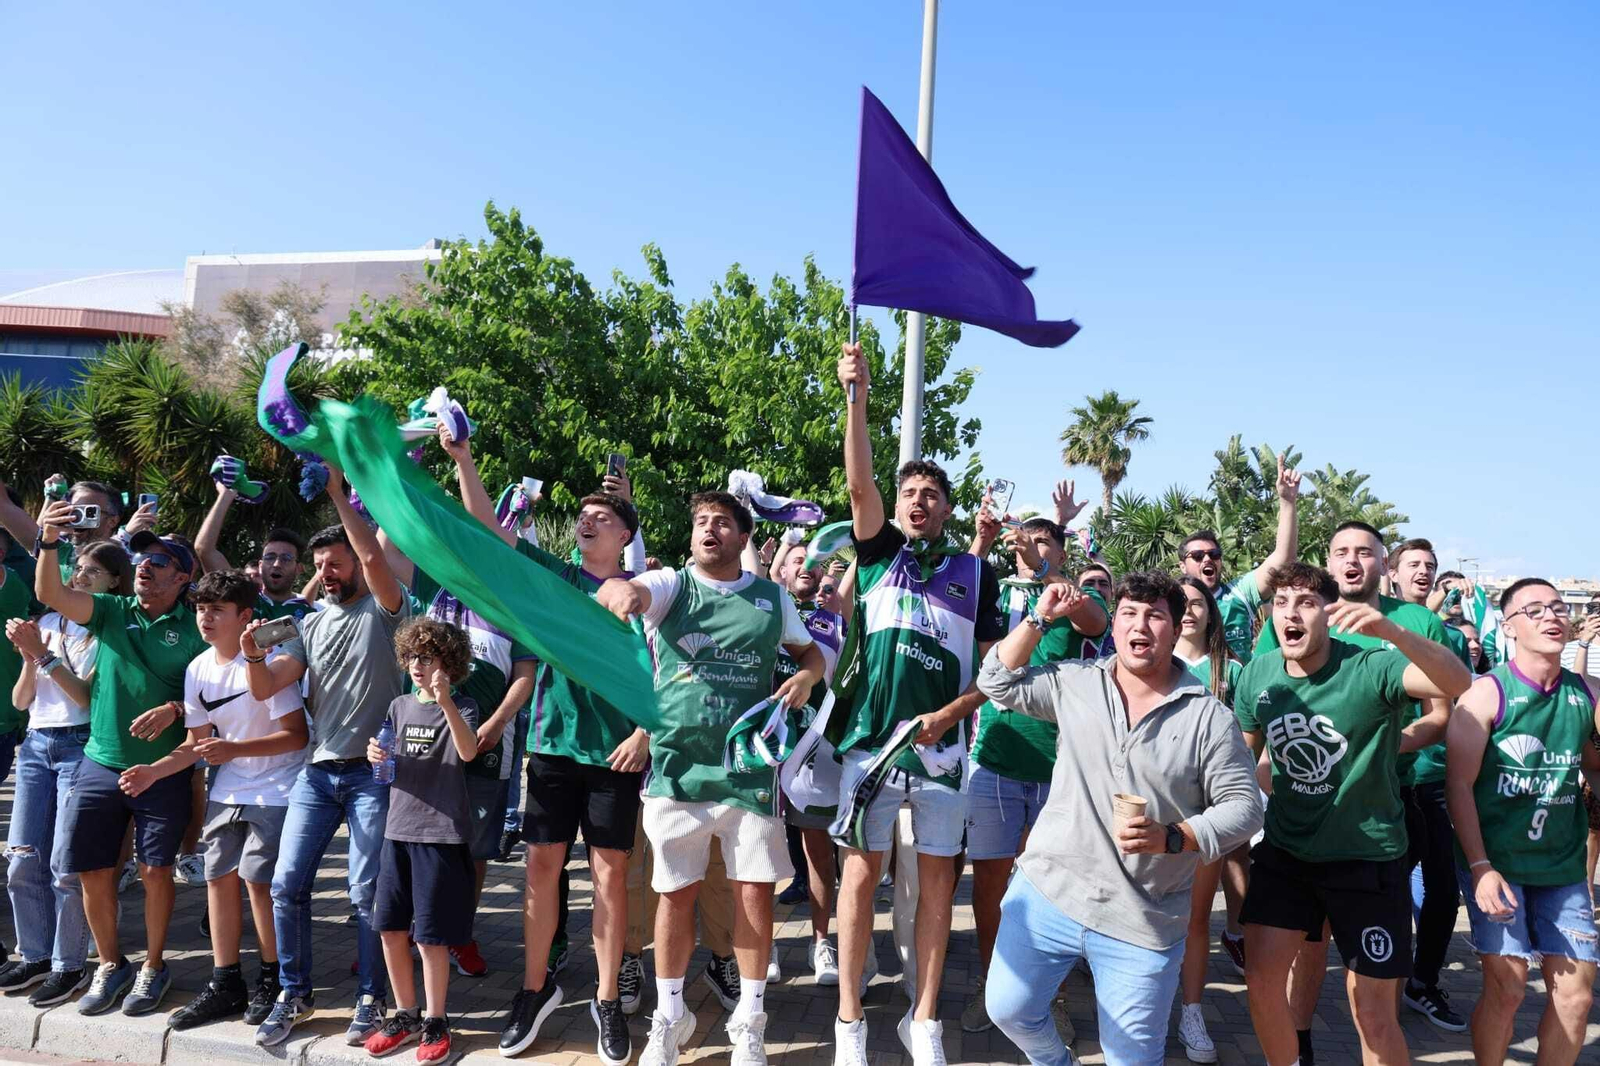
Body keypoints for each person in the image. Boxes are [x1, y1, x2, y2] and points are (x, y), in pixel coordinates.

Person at [976, 571, 1262, 1066]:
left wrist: (1175, 837)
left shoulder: (1207, 716)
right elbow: (995, 679)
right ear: (1114, 626)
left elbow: (1245, 806)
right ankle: (1052, 1061)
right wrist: (1041, 617)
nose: (1141, 625)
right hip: (1050, 891)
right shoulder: (1076, 683)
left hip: (1143, 918)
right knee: (1008, 1009)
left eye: (1156, 615)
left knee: (1132, 1059)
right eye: (1129, 612)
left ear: (1176, 629)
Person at [597, 490, 823, 1066]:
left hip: (748, 775)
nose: (709, 530)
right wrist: (624, 589)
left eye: (722, 523)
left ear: (744, 538)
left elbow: (812, 655)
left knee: (753, 896)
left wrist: (805, 678)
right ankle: (670, 1017)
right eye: (700, 521)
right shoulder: (674, 584)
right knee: (674, 897)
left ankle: (749, 1023)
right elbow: (639, 590)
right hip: (677, 771)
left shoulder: (773, 598)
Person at [443, 434, 648, 1065]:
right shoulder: (553, 577)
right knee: (539, 869)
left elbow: (663, 678)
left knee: (609, 880)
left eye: (603, 517)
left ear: (624, 538)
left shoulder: (645, 593)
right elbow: (484, 527)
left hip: (615, 757)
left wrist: (645, 734)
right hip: (553, 750)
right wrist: (462, 457)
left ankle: (607, 999)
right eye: (582, 517)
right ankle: (535, 992)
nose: (588, 521)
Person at [833, 343, 1005, 1066]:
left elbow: (995, 672)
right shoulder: (875, 554)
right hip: (873, 744)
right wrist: (857, 397)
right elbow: (856, 482)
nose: (918, 499)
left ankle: (924, 1019)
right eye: (909, 492)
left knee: (939, 888)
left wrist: (954, 711)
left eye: (932, 493)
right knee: (861, 877)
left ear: (946, 508)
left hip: (944, 752)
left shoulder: (976, 572)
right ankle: (848, 1023)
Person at [1235, 562, 1472, 1066]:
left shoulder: (1370, 666)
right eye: (1281, 604)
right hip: (1286, 853)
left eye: (1306, 603)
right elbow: (1244, 760)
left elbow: (1458, 681)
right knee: (1261, 985)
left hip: (1366, 857)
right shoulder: (1259, 673)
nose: (1291, 614)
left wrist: (1389, 629)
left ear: (1330, 613)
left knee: (1372, 1015)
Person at [252, 468, 412, 1047]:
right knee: (286, 884)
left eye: (335, 561)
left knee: (364, 892)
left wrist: (339, 495)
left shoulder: (388, 608)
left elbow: (374, 560)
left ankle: (371, 998)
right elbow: (271, 685)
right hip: (318, 775)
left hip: (374, 774)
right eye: (320, 564)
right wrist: (250, 656)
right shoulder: (308, 623)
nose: (327, 571)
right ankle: (295, 992)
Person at [378, 428, 540, 983]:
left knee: (470, 851)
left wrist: (495, 723)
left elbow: (525, 673)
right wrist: (396, 473)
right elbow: (386, 548)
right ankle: (419, 935)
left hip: (485, 743)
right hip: (424, 747)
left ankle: (459, 936)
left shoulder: (512, 598)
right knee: (420, 841)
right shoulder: (434, 584)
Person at [35, 513, 208, 1018]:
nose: (146, 568)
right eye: (142, 559)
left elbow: (215, 695)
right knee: (91, 870)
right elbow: (51, 593)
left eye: (161, 562)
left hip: (164, 770)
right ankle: (111, 964)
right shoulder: (111, 610)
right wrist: (48, 540)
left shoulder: (195, 627)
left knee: (156, 871)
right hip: (99, 763)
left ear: (182, 579)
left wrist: (176, 708)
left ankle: (154, 965)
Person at [961, 517, 1106, 1039]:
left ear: (1063, 553)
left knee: (1050, 891)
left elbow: (1093, 623)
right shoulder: (994, 593)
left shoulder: (1077, 598)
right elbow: (989, 666)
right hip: (994, 759)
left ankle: (1053, 998)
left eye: (1046, 541)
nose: (1031, 546)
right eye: (1027, 539)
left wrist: (1046, 573)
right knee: (991, 886)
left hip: (1059, 770)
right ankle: (990, 983)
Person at [1445, 578, 1599, 1066]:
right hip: (1499, 862)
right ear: (1509, 628)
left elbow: (1594, 762)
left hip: (1563, 866)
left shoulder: (1589, 694)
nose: (1552, 616)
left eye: (1557, 607)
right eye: (1534, 610)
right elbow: (1458, 786)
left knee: (1576, 998)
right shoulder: (1485, 696)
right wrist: (1480, 866)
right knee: (1508, 989)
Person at [166, 570, 308, 1030]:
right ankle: (226, 982)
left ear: (245, 616)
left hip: (278, 789)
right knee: (218, 879)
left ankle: (274, 978)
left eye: (217, 610)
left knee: (257, 882)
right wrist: (155, 769)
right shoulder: (196, 669)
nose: (205, 618)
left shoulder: (270, 663)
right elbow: (197, 742)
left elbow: (295, 737)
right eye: (201, 609)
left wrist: (233, 751)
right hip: (226, 789)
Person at [0, 542, 130, 1005]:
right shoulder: (47, 625)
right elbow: (20, 700)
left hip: (78, 746)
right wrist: (31, 655)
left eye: (94, 572)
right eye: (79, 569)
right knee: (21, 858)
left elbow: (83, 698)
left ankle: (68, 964)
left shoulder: (106, 631)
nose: (80, 577)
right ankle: (33, 954)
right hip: (36, 745)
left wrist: (42, 656)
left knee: (64, 866)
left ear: (115, 581)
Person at [360, 618, 480, 1062]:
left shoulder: (462, 705)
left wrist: (446, 700)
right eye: (412, 656)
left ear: (448, 663)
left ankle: (436, 1019)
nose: (417, 665)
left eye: (427, 657)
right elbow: (385, 760)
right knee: (390, 928)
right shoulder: (398, 706)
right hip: (397, 830)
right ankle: (406, 1013)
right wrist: (376, 754)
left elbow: (468, 751)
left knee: (430, 936)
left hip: (440, 835)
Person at [1384, 537, 1473, 1031]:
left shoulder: (1445, 634)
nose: (1423, 571)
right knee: (1389, 887)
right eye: (1413, 564)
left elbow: (1460, 704)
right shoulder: (1371, 623)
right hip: (1391, 781)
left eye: (1431, 566)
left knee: (1443, 890)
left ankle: (1423, 982)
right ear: (1391, 572)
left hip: (1437, 775)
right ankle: (1383, 980)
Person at [1171, 576, 1246, 1063]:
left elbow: (1248, 737)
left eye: (1198, 603)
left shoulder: (1229, 670)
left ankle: (1192, 1010)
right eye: (1180, 604)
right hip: (1152, 806)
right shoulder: (1147, 659)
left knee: (1197, 917)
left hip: (1205, 815)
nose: (1190, 611)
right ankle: (1147, 1003)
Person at [766, 539, 848, 987]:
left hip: (812, 754)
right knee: (762, 852)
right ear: (782, 569)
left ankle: (821, 942)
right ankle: (767, 947)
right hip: (761, 751)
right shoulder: (763, 611)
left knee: (819, 855)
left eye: (813, 561)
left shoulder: (835, 622)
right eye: (797, 558)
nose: (806, 565)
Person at [1177, 454, 1301, 663]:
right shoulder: (1170, 601)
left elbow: (1284, 561)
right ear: (1182, 565)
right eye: (1197, 556)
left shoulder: (1239, 594)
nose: (1207, 559)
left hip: (1236, 692)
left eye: (1214, 554)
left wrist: (1287, 502)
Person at [193, 475, 314, 622]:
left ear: (299, 568)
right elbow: (204, 549)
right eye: (270, 557)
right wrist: (226, 495)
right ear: (261, 566)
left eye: (286, 558)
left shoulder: (311, 616)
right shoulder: (242, 596)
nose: (276, 564)